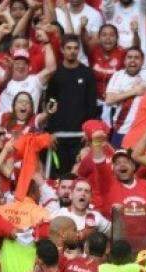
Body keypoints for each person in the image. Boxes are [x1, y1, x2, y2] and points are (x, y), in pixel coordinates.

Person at [45, 35, 99, 177]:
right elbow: (49, 105)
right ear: (62, 50)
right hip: (59, 137)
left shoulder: (87, 74)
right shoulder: (56, 75)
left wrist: (89, 131)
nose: (72, 51)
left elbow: (92, 106)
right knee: (60, 176)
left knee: (79, 174)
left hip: (81, 136)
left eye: (76, 48)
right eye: (69, 48)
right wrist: (50, 132)